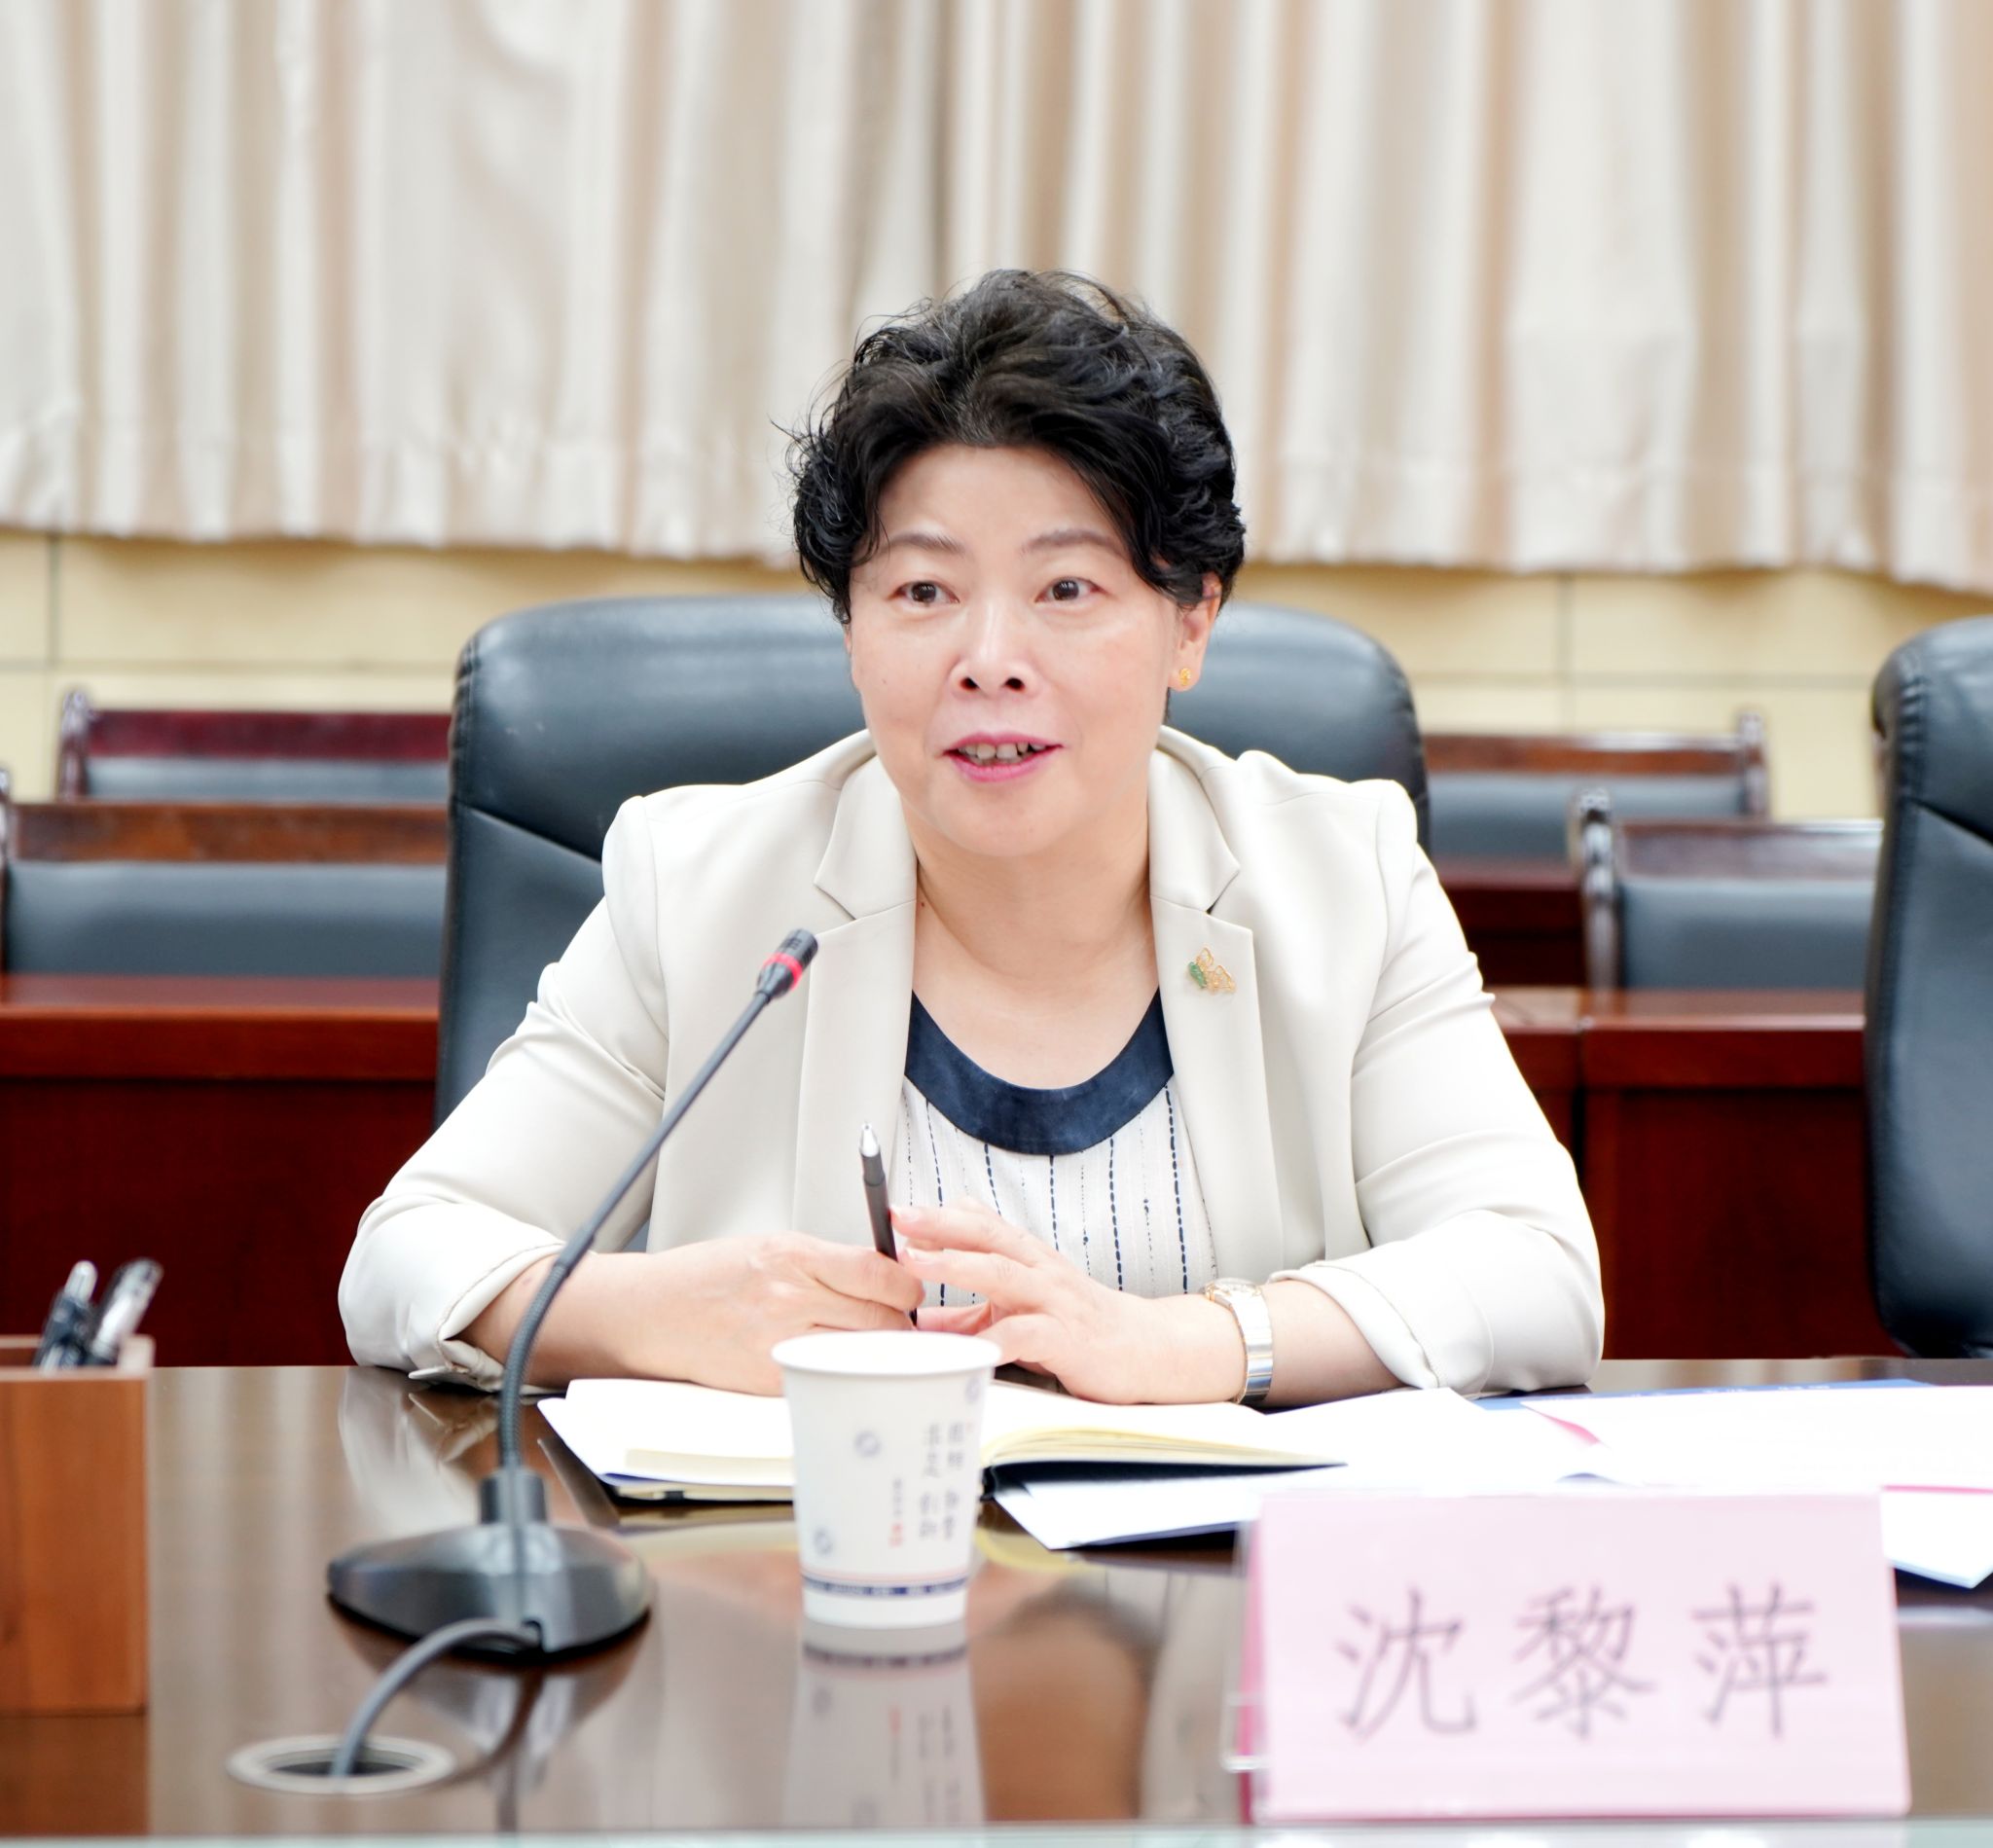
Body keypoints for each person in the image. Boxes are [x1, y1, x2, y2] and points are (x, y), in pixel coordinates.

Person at [340, 270, 1602, 1404]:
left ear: (1190, 624)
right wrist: (662, 1312)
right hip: (800, 1571)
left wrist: (1188, 1344)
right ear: (852, 630)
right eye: (924, 591)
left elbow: (1538, 1273)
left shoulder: (1343, 880)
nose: (990, 660)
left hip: (1215, 1583)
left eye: (1068, 588)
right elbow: (407, 1257)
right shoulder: (701, 892)